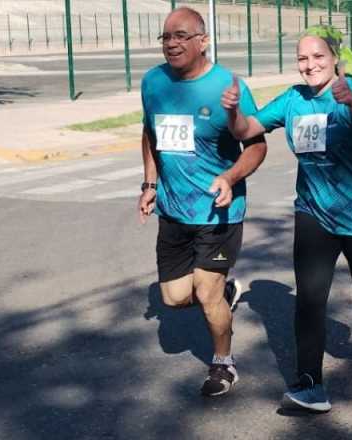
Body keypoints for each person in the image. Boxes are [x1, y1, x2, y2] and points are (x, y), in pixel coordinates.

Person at [222, 25, 352, 414]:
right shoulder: (293, 99)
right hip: (315, 212)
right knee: (309, 297)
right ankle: (310, 385)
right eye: (302, 59)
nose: (310, 65)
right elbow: (248, 129)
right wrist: (233, 111)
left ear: (335, 59)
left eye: (318, 57)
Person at [138, 6, 268, 397]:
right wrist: (149, 183)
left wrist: (230, 177)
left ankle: (223, 363)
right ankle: (226, 295)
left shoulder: (227, 86)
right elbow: (150, 132)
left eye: (181, 36)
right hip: (173, 210)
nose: (171, 43)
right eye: (166, 37)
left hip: (219, 210)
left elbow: (257, 145)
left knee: (206, 294)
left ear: (203, 41)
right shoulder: (153, 81)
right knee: (175, 298)